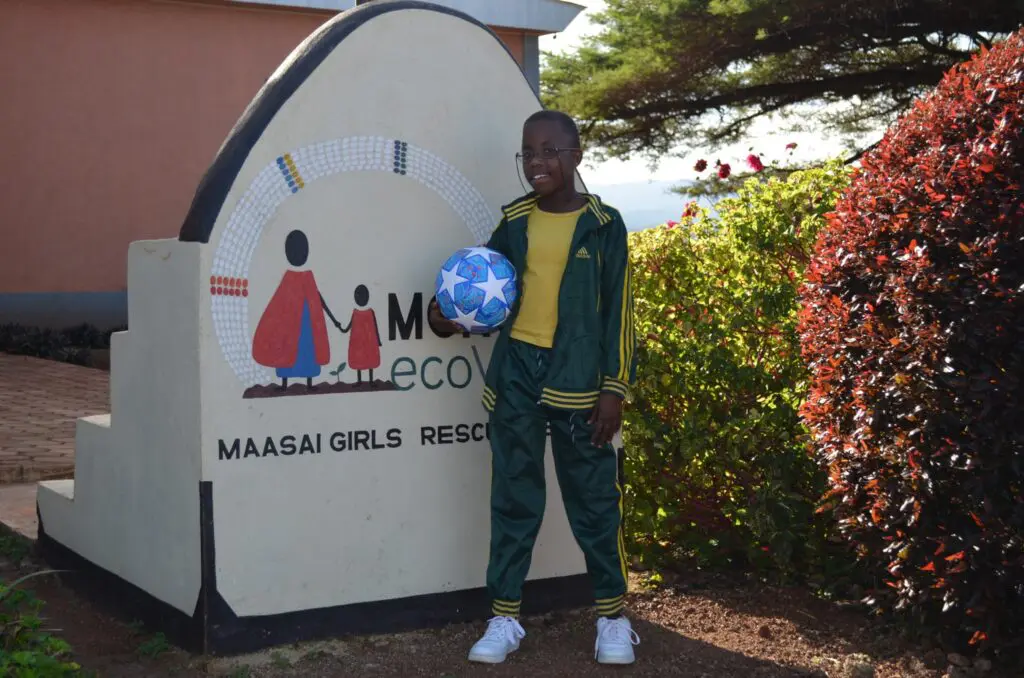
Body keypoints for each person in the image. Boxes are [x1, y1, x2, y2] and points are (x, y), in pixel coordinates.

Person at [428, 110, 639, 665]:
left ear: (575, 156)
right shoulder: (515, 221)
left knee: (595, 502)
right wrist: (446, 316)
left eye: (550, 150)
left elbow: (620, 313)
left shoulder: (604, 223)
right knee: (514, 499)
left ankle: (612, 619)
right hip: (516, 376)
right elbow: (482, 291)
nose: (537, 162)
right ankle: (503, 618)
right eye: (528, 152)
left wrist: (614, 389)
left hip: (580, 384)